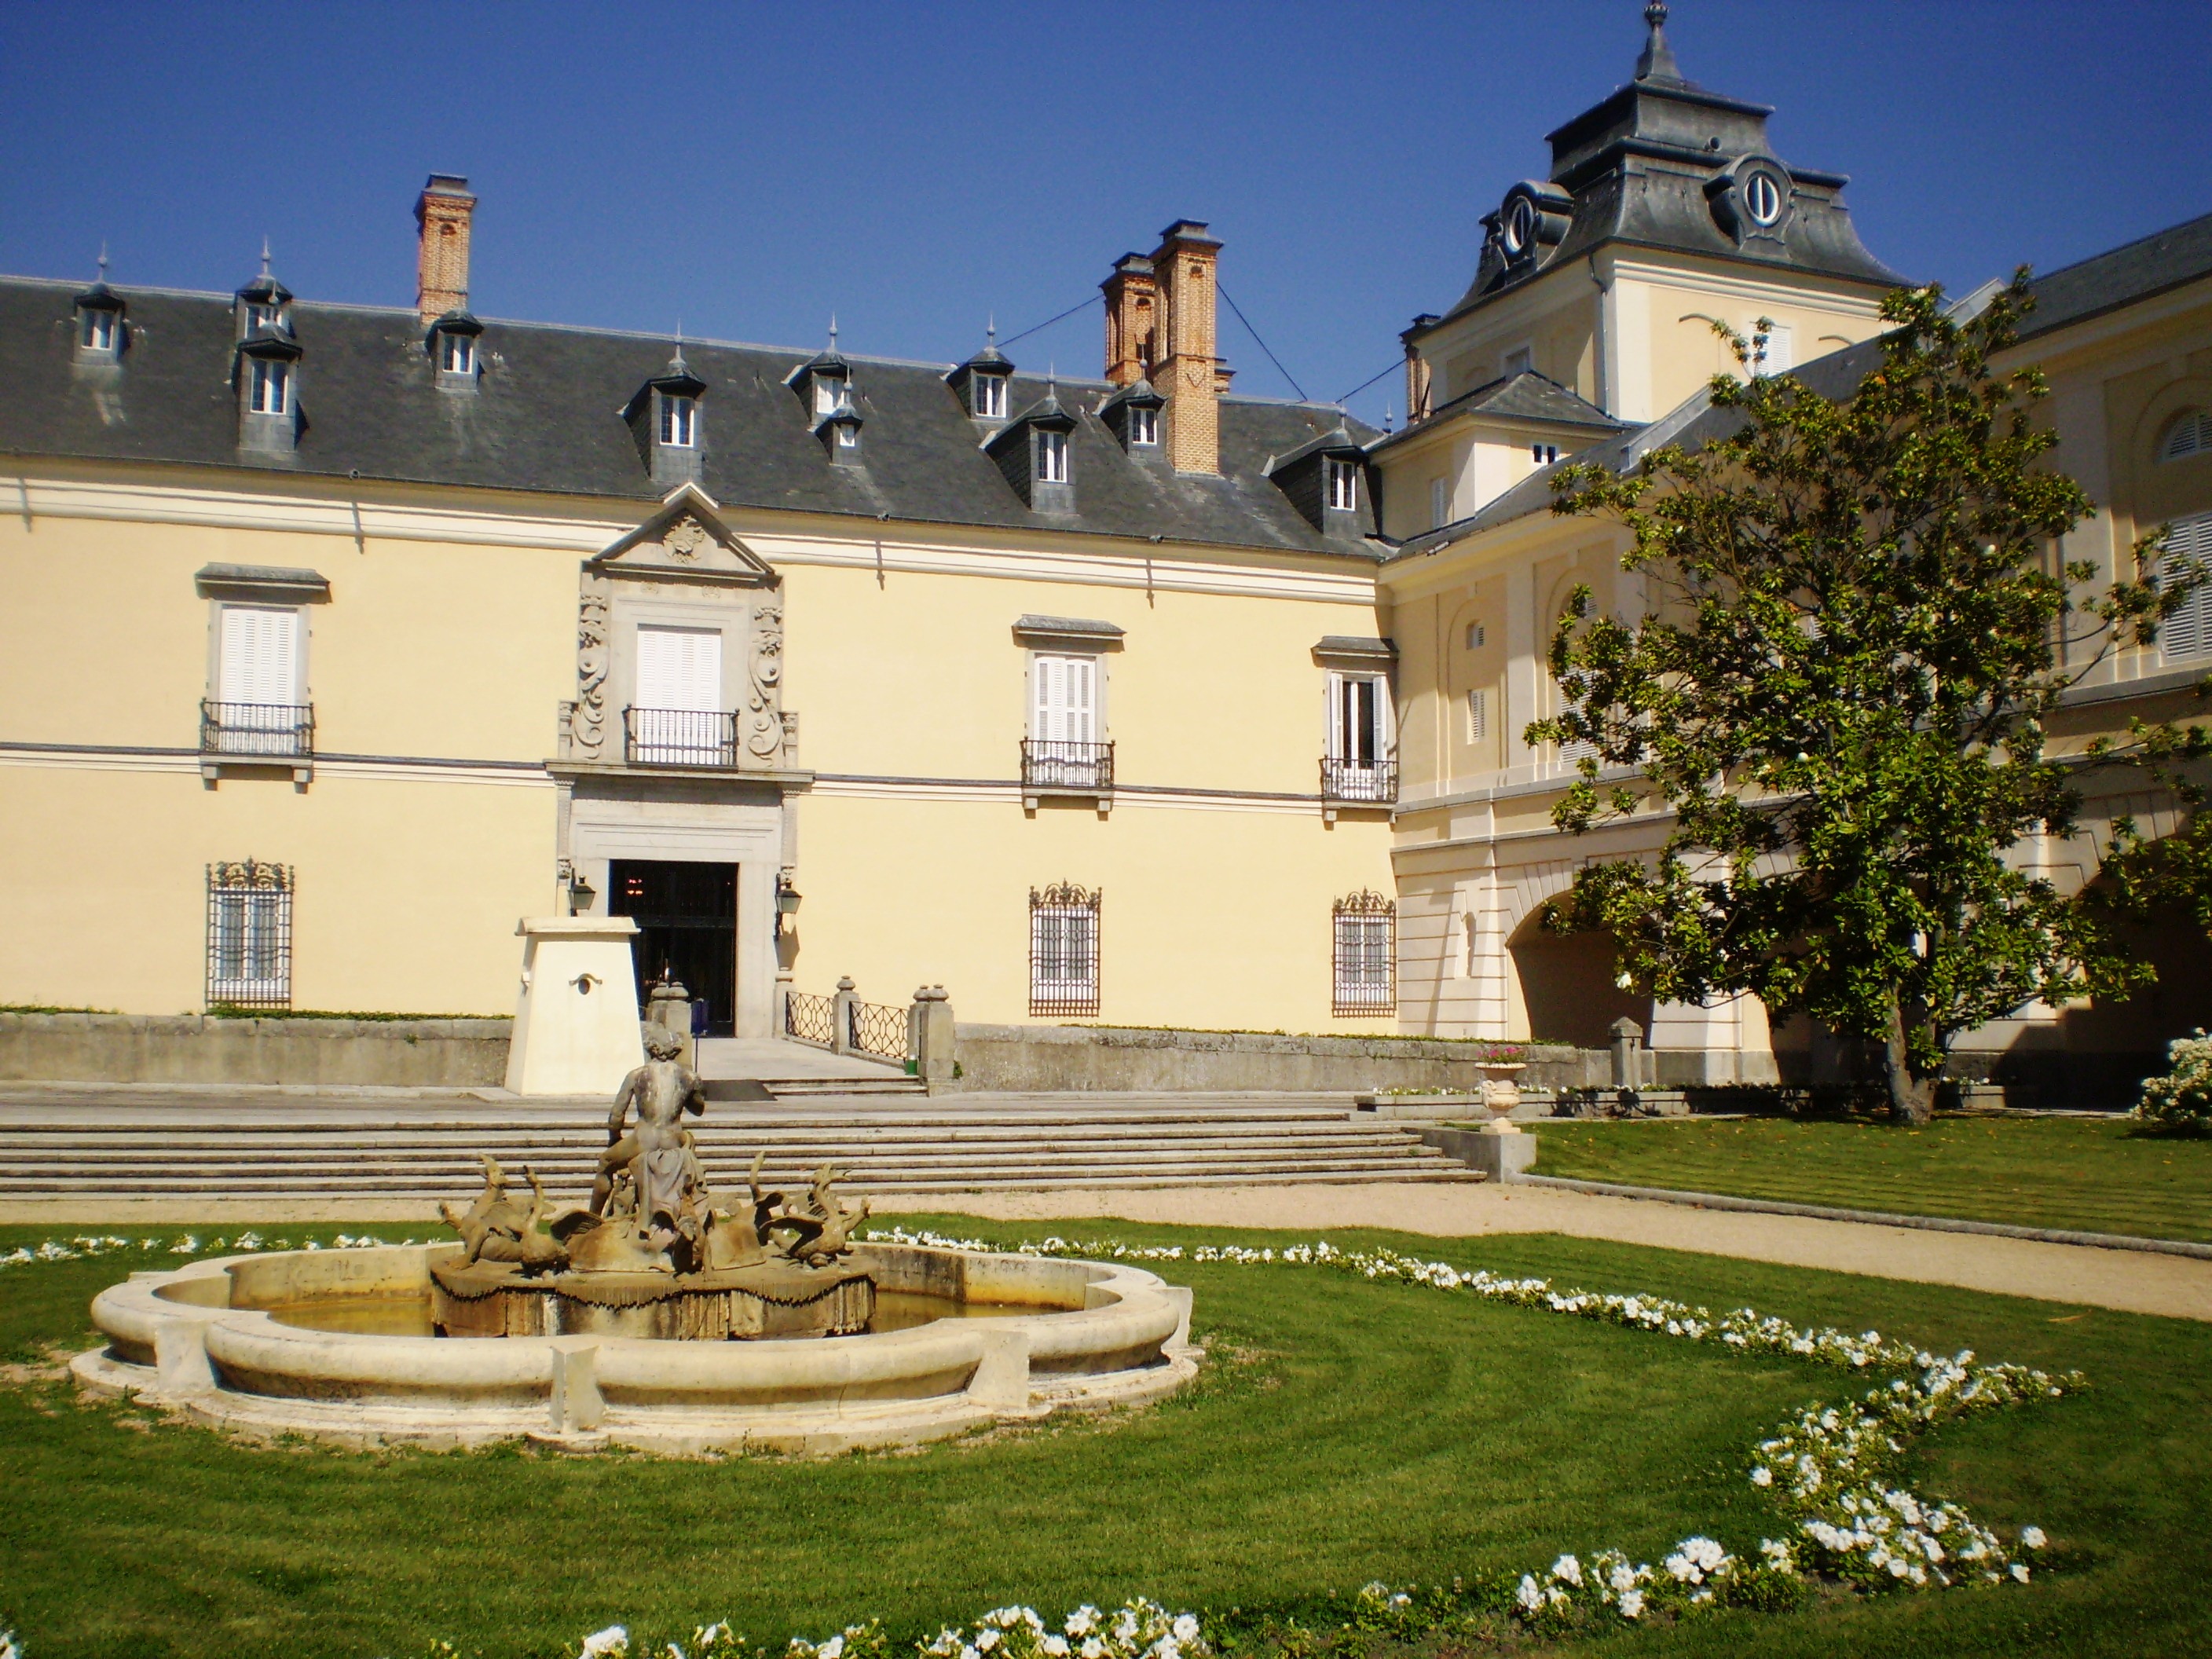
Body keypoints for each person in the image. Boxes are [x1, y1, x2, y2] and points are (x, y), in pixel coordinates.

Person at [591, 1030, 709, 1236]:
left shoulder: (637, 1075)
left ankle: (592, 1218)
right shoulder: (690, 1077)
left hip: (643, 1140)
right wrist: (688, 1093)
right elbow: (698, 1110)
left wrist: (614, 1139)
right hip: (673, 1139)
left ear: (651, 1049)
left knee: (605, 1164)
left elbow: (616, 1116)